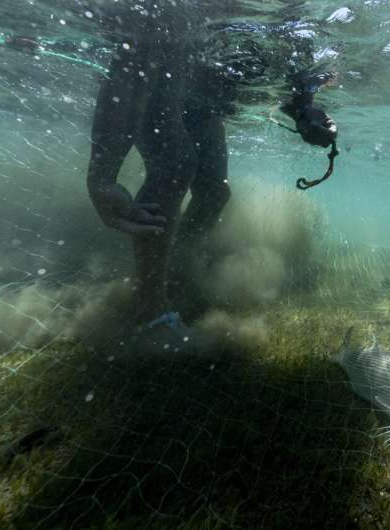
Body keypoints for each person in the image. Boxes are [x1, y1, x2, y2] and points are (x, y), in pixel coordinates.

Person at [86, 13, 337, 353]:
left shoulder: (293, 19)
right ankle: (149, 313)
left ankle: (175, 271)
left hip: (207, 99)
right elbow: (135, 65)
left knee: (215, 193)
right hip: (165, 76)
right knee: (175, 164)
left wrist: (305, 111)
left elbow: (292, 80)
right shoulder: (179, 13)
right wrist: (102, 175)